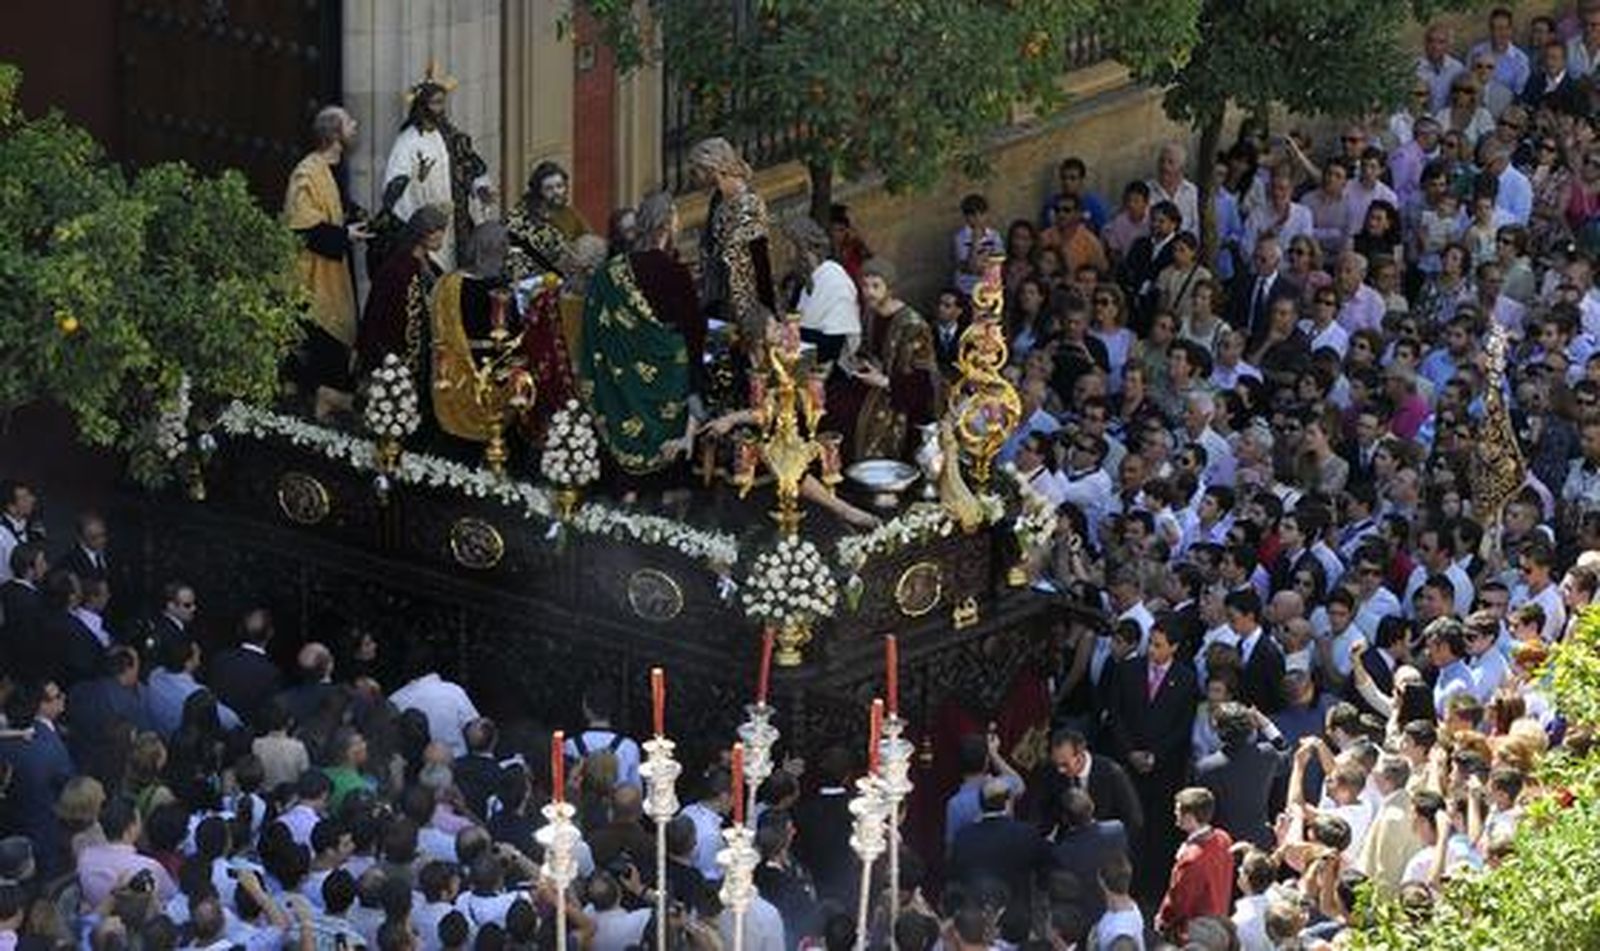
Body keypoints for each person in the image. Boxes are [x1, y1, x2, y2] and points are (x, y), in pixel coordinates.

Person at [579, 191, 702, 478]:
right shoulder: (676, 274)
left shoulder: (610, 272)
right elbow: (694, 334)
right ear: (668, 224)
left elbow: (594, 330)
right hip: (670, 384)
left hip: (621, 391)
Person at [285, 105, 370, 419]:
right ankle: (321, 398)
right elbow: (300, 224)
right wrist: (343, 235)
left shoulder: (337, 166)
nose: (355, 125)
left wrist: (355, 218)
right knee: (324, 335)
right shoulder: (307, 172)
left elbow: (337, 206)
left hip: (338, 270)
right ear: (335, 134)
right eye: (349, 123)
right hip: (316, 277)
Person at [380, 67, 493, 272]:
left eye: (442, 102)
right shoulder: (408, 142)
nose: (440, 108)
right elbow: (397, 178)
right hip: (428, 221)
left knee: (457, 268)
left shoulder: (452, 136)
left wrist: (481, 187)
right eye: (435, 103)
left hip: (456, 220)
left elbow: (471, 164)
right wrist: (392, 202)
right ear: (422, 105)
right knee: (433, 269)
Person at [692, 137, 775, 336]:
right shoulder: (719, 199)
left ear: (712, 169)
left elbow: (760, 261)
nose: (694, 178)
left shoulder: (749, 205)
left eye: (697, 171)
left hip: (743, 307)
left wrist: (767, 312)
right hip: (720, 299)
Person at [356, 205, 449, 380]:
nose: (441, 236)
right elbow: (384, 313)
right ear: (422, 232)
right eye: (437, 230)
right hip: (400, 351)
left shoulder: (426, 262)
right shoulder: (400, 267)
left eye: (442, 230)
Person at [1154, 787, 1233, 944]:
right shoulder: (1224, 838)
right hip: (1219, 923)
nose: (1175, 815)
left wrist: (1163, 920)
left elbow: (1179, 900)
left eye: (1178, 811)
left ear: (1190, 817)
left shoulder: (1192, 858)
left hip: (1196, 931)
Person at [505, 160, 589, 281]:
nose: (557, 192)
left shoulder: (570, 214)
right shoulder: (519, 219)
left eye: (560, 186)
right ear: (538, 192)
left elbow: (586, 242)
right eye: (549, 188)